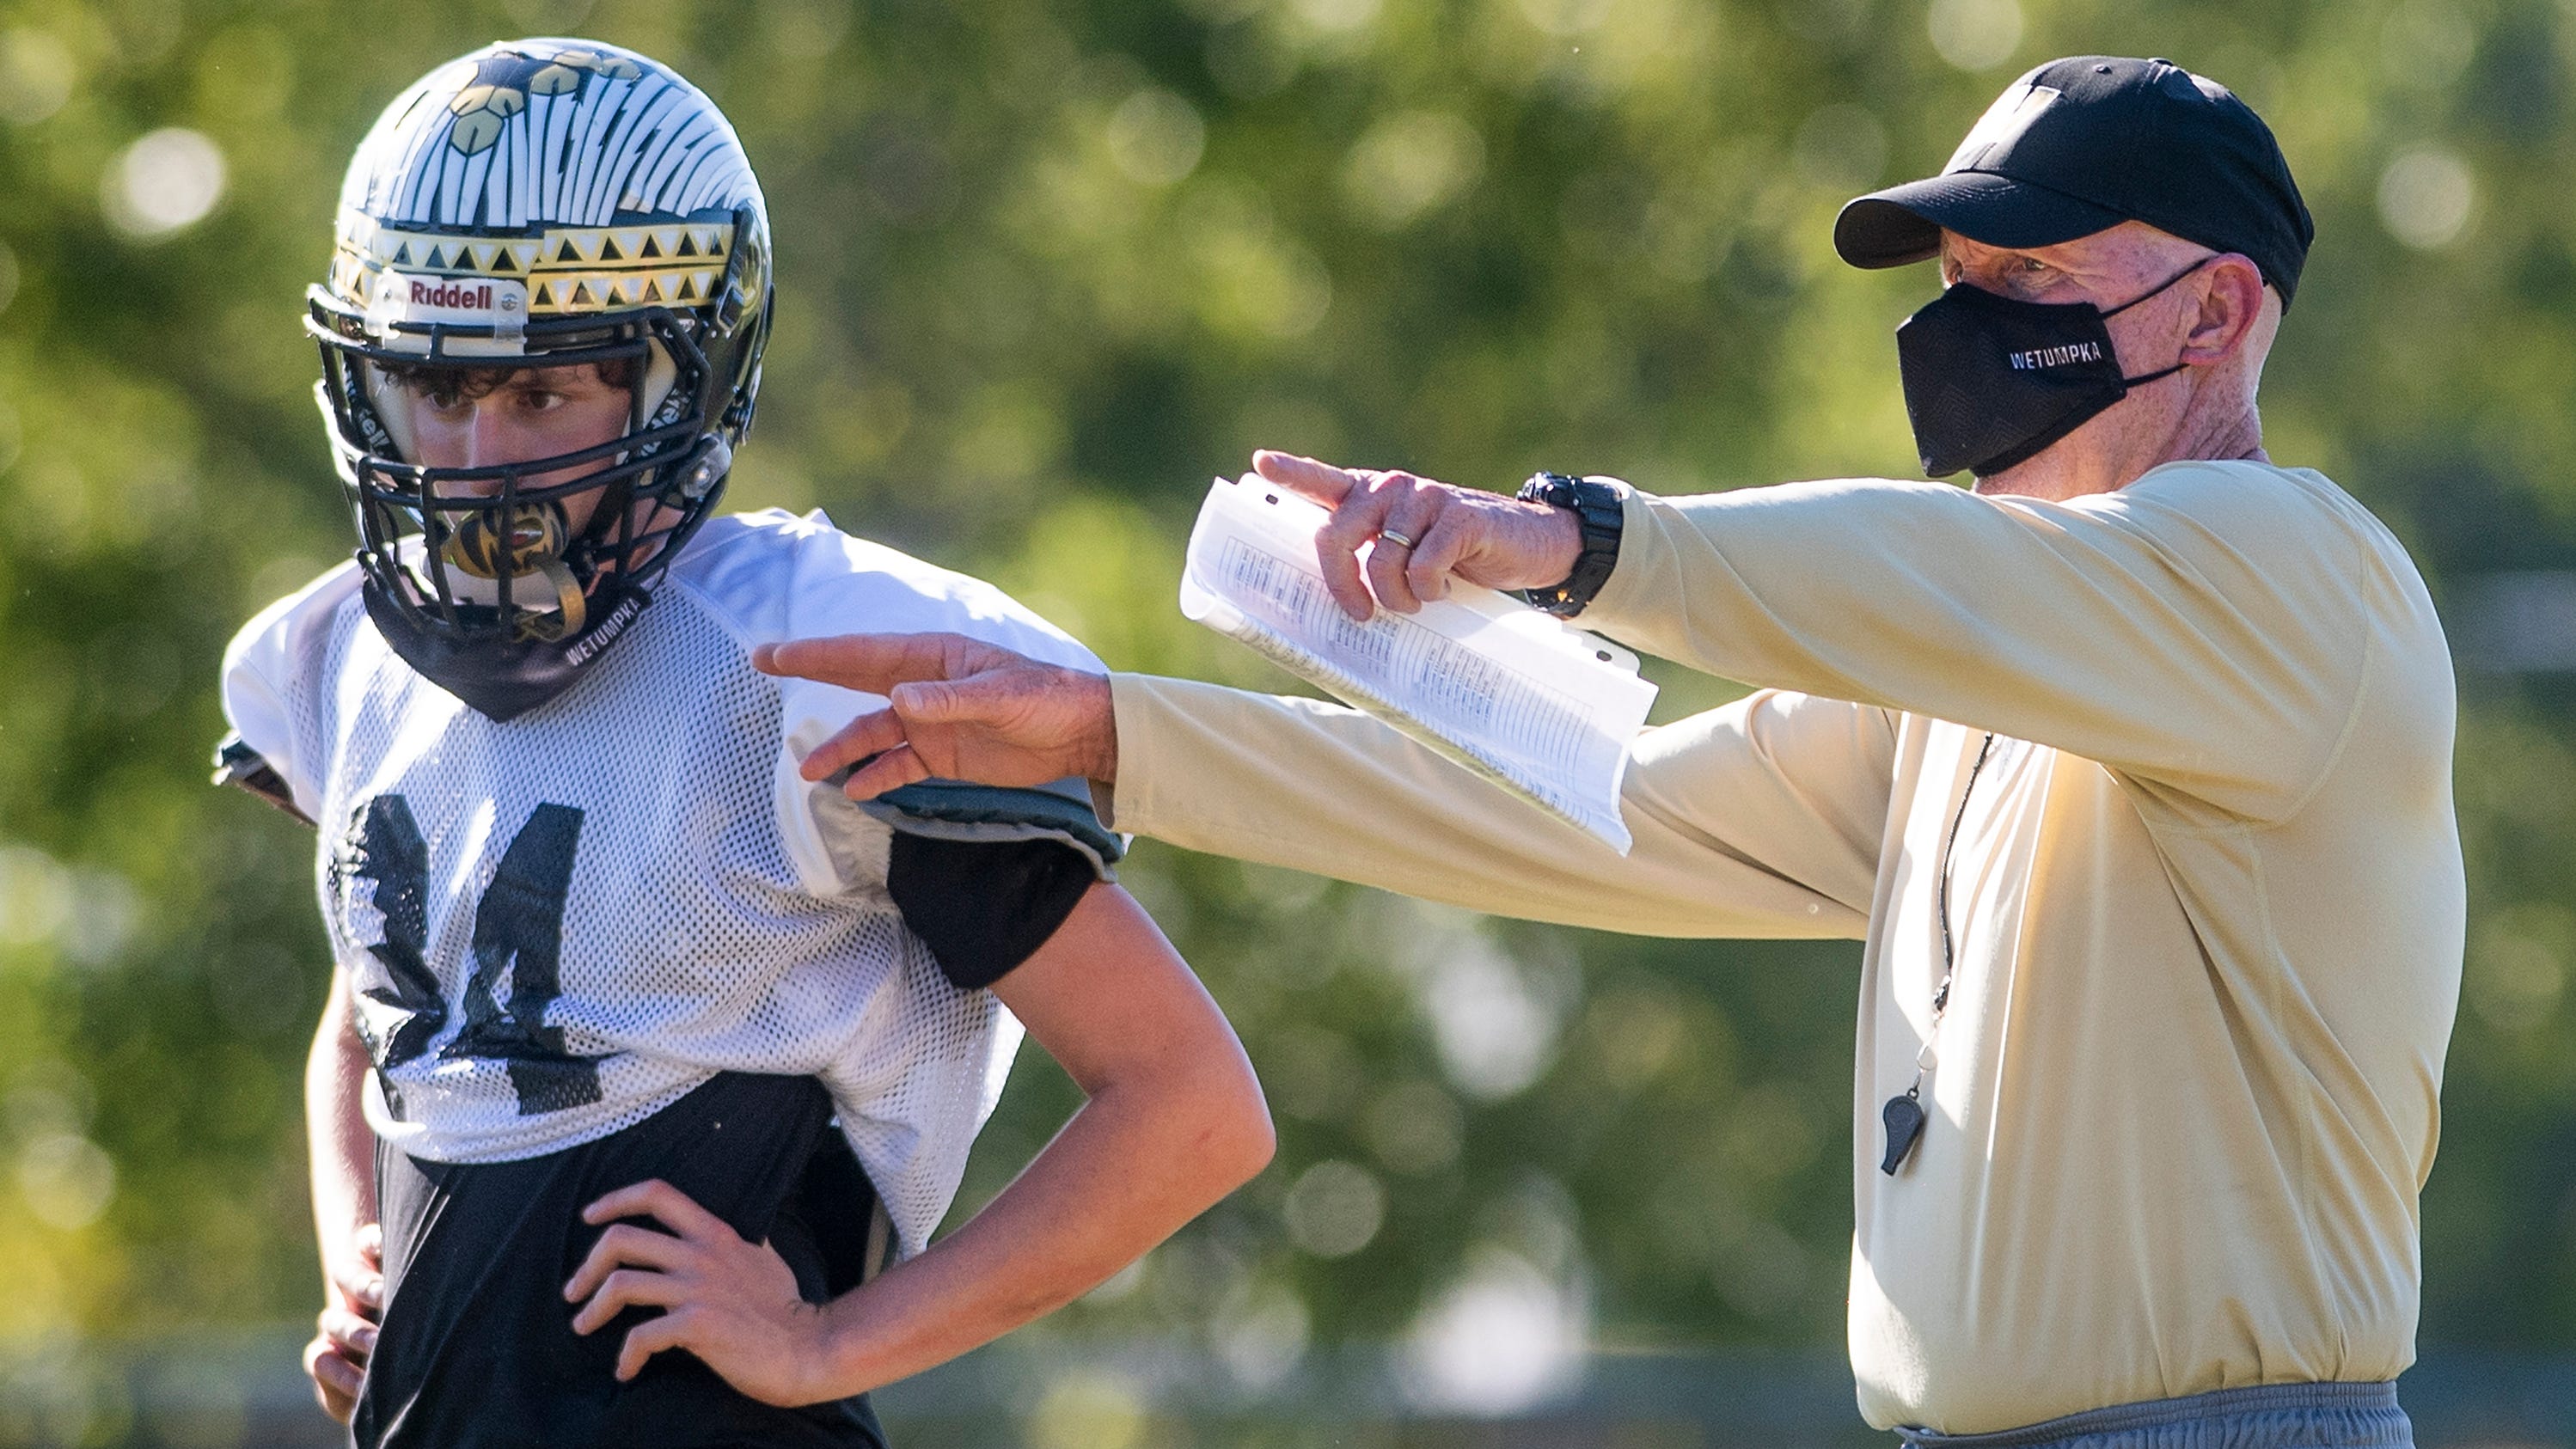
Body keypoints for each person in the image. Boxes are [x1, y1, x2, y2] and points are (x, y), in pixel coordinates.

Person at [757, 57, 2462, 1446]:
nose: (1964, 330)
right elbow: (1593, 813)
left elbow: (1915, 573)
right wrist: (1118, 735)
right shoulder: (1981, 680)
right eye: (1956, 286)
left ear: (2216, 310)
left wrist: (1571, 540)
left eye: (2027, 280)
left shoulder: (2296, 578)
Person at [213, 40, 1272, 1446]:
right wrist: (364, 1252)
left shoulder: (805, 669)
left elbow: (1190, 1105)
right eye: (435, 386)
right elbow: (379, 1010)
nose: (470, 460)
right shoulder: (338, 651)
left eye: (539, 395)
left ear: (678, 385)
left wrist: (831, 1335)